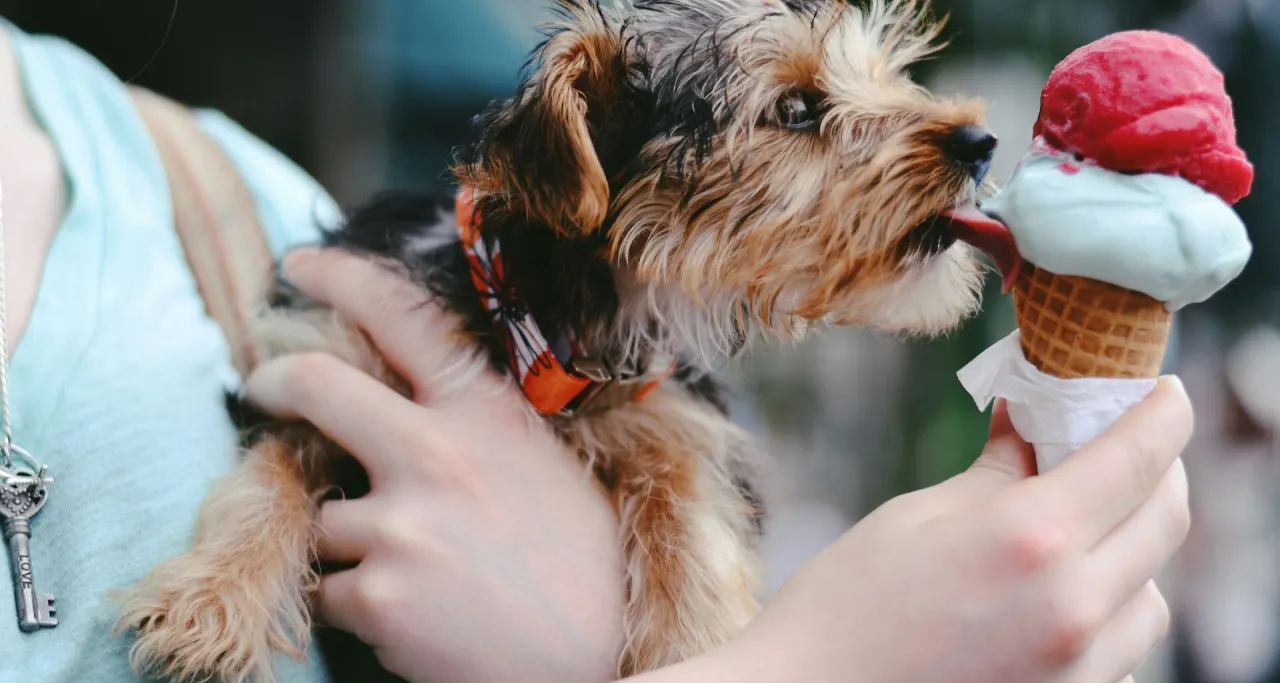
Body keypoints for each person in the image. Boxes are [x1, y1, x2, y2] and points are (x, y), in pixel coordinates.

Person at [0, 16, 1191, 683]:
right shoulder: (344, 276)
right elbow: (285, 435)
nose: (955, 132)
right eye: (795, 114)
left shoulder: (230, 202)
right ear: (589, 165)